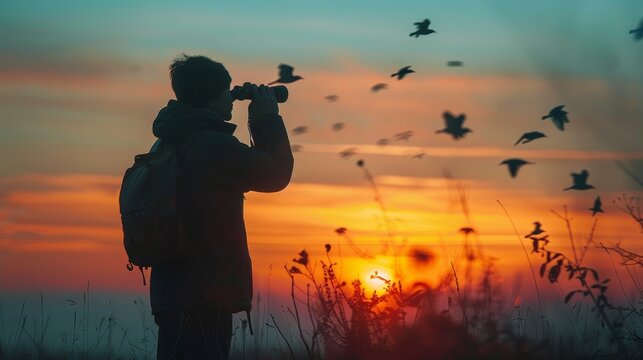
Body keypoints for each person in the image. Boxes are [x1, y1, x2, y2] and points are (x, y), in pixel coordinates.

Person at [149, 54, 294, 359]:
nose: (231, 98)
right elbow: (276, 174)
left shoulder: (169, 140)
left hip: (172, 290)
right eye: (226, 90)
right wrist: (265, 118)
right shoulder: (211, 145)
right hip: (206, 294)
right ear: (212, 96)